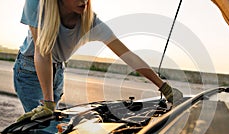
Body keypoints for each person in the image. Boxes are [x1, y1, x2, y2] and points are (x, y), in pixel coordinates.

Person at [14, 0, 182, 122]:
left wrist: (164, 87)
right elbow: (43, 52)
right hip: (31, 70)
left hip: (57, 72)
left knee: (48, 127)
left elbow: (128, 55)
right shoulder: (36, 4)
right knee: (44, 126)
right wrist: (48, 103)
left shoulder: (91, 21)